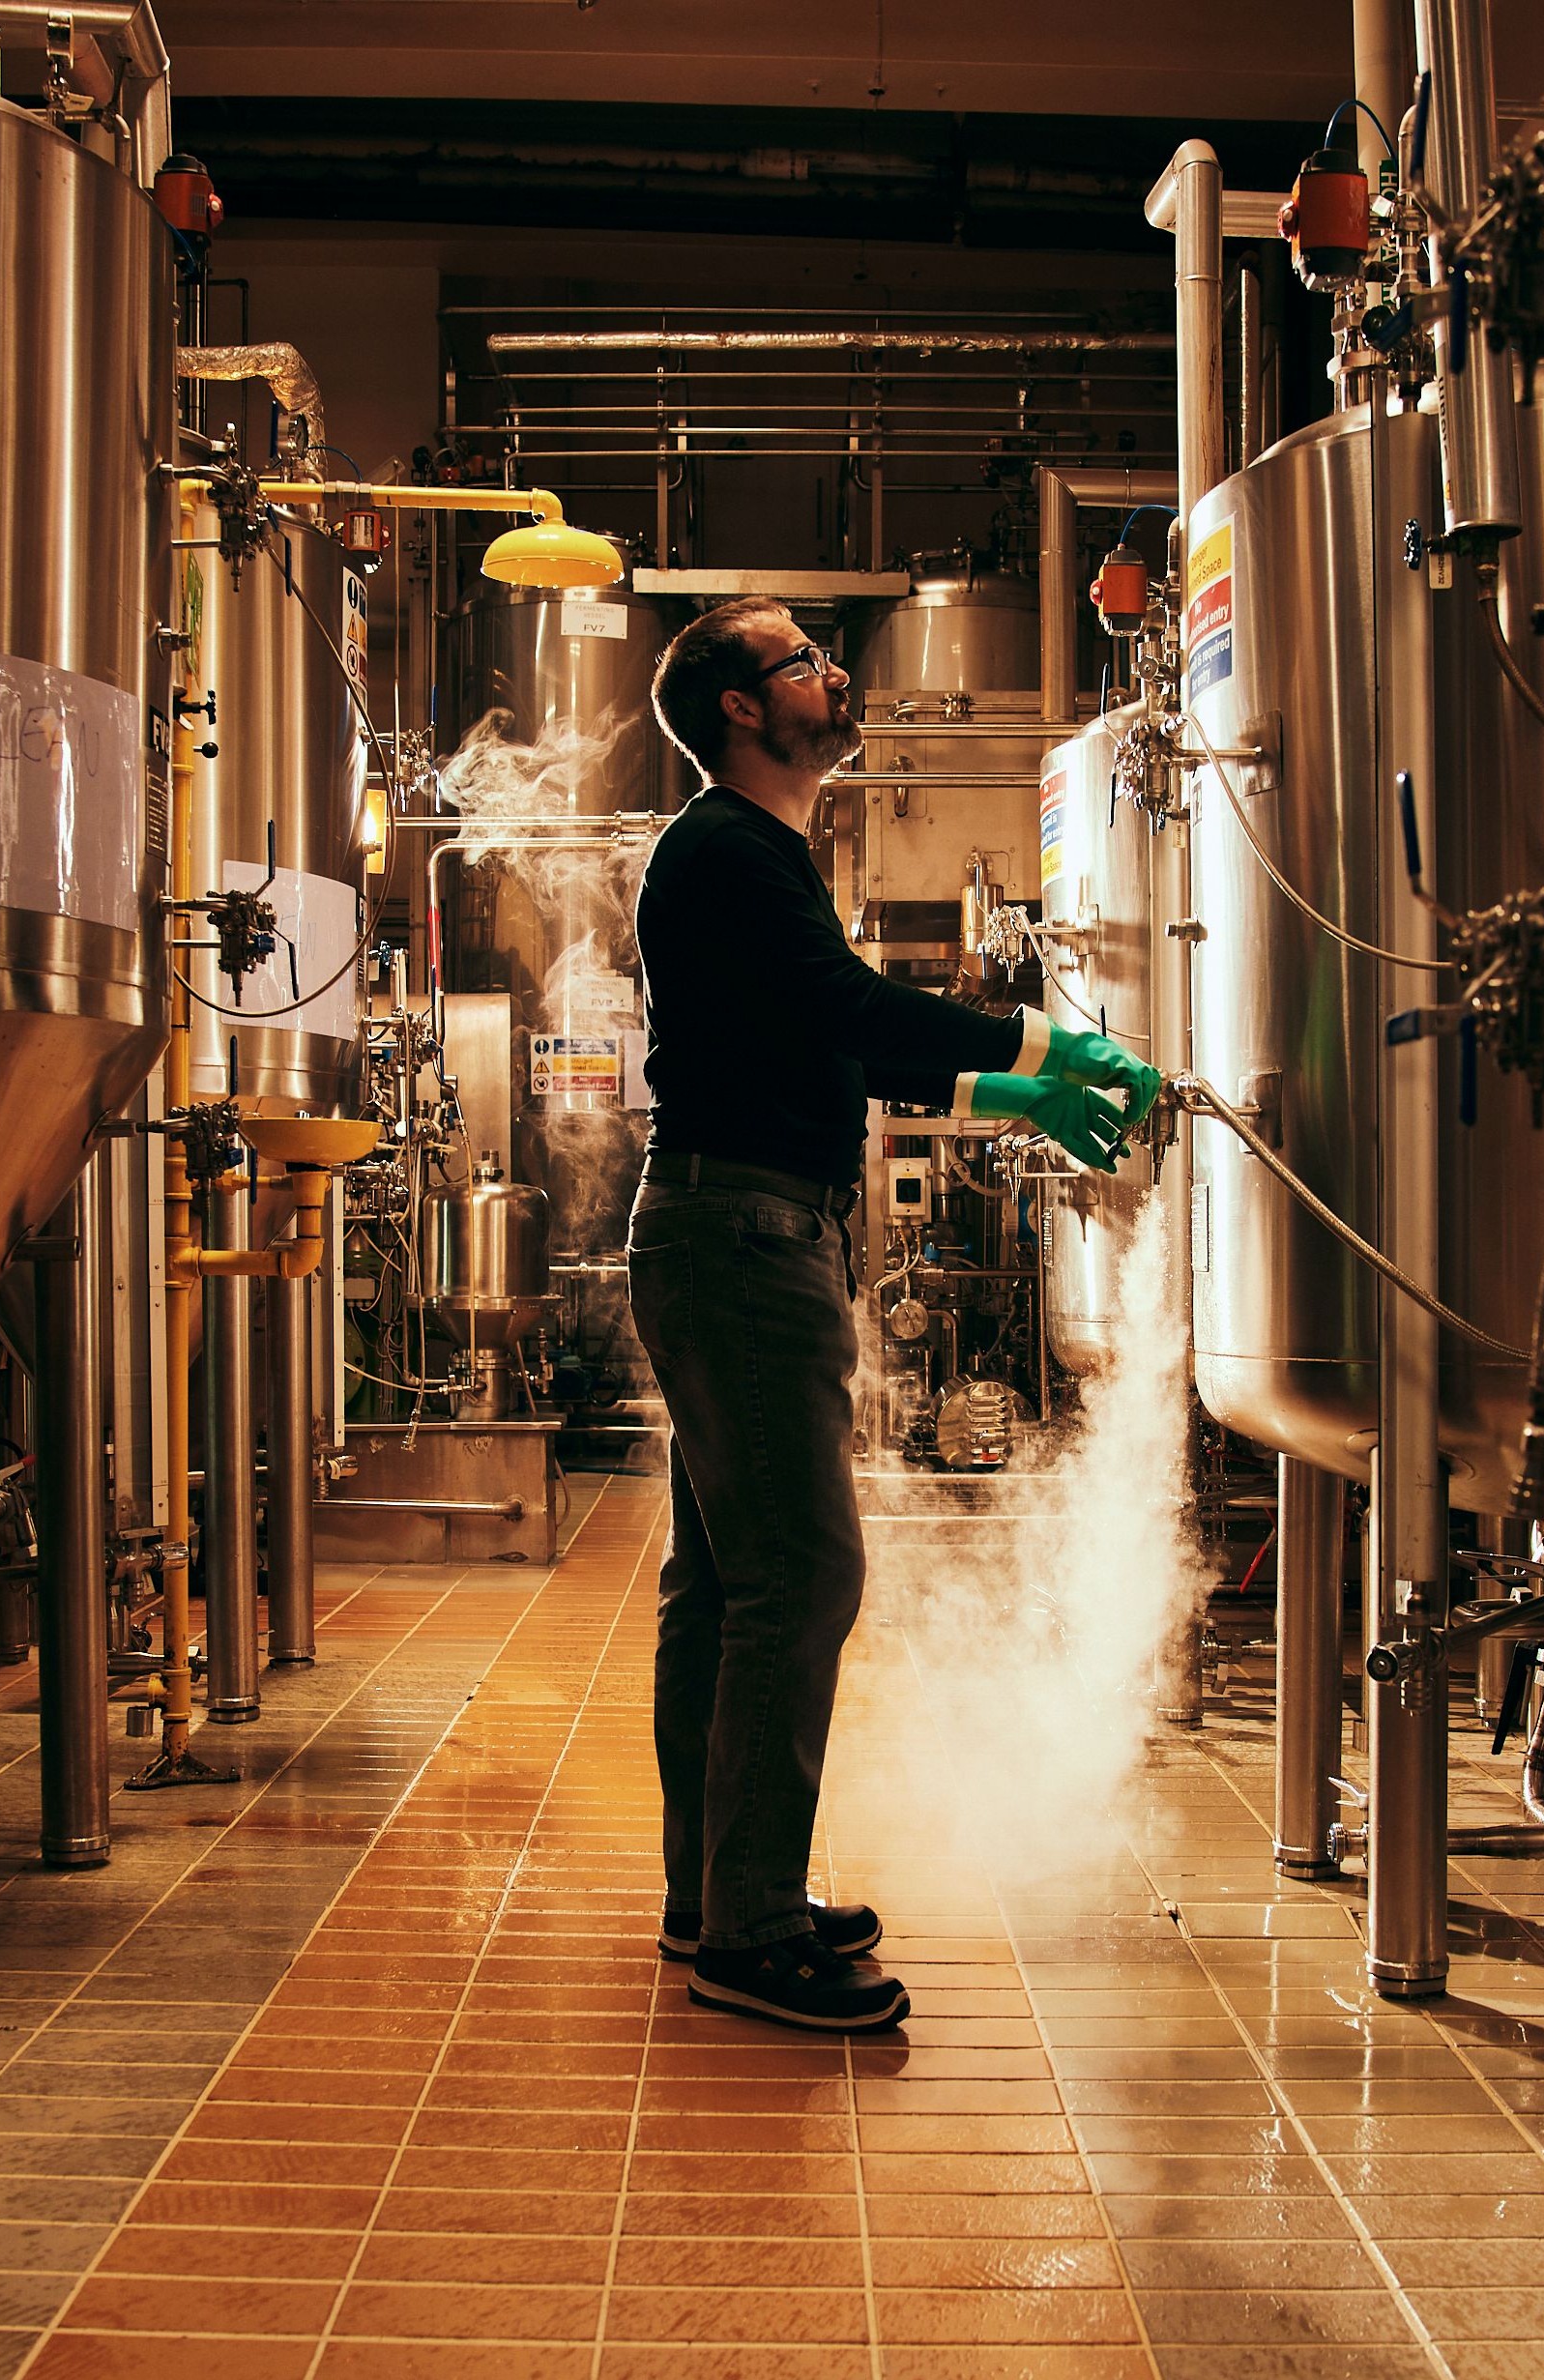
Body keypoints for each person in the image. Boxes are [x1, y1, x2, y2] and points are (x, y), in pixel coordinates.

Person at [631, 597, 1161, 2033]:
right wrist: (1050, 1037)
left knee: (726, 1583)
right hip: (743, 1238)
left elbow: (820, 1050)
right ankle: (748, 1928)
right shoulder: (730, 851)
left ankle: (715, 1894)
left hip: (726, 1219)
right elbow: (850, 1008)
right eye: (799, 654)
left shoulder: (746, 855)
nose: (831, 666)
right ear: (743, 709)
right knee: (803, 1577)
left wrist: (1011, 1093)